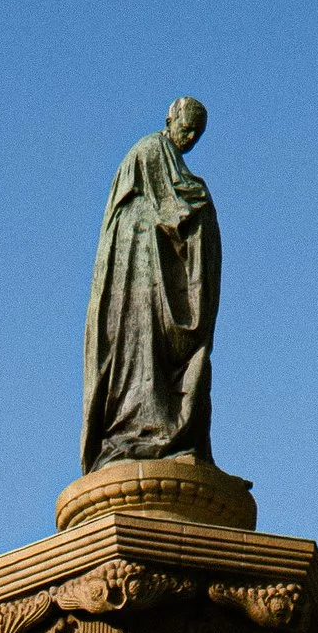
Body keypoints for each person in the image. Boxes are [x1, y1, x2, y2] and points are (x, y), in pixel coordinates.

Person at [80, 98, 220, 474]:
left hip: (160, 271)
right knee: (138, 349)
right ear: (169, 120)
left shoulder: (170, 164)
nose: (189, 137)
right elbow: (176, 208)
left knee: (159, 352)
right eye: (186, 127)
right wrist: (198, 204)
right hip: (138, 274)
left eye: (197, 133)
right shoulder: (150, 151)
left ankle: (164, 428)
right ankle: (137, 429)